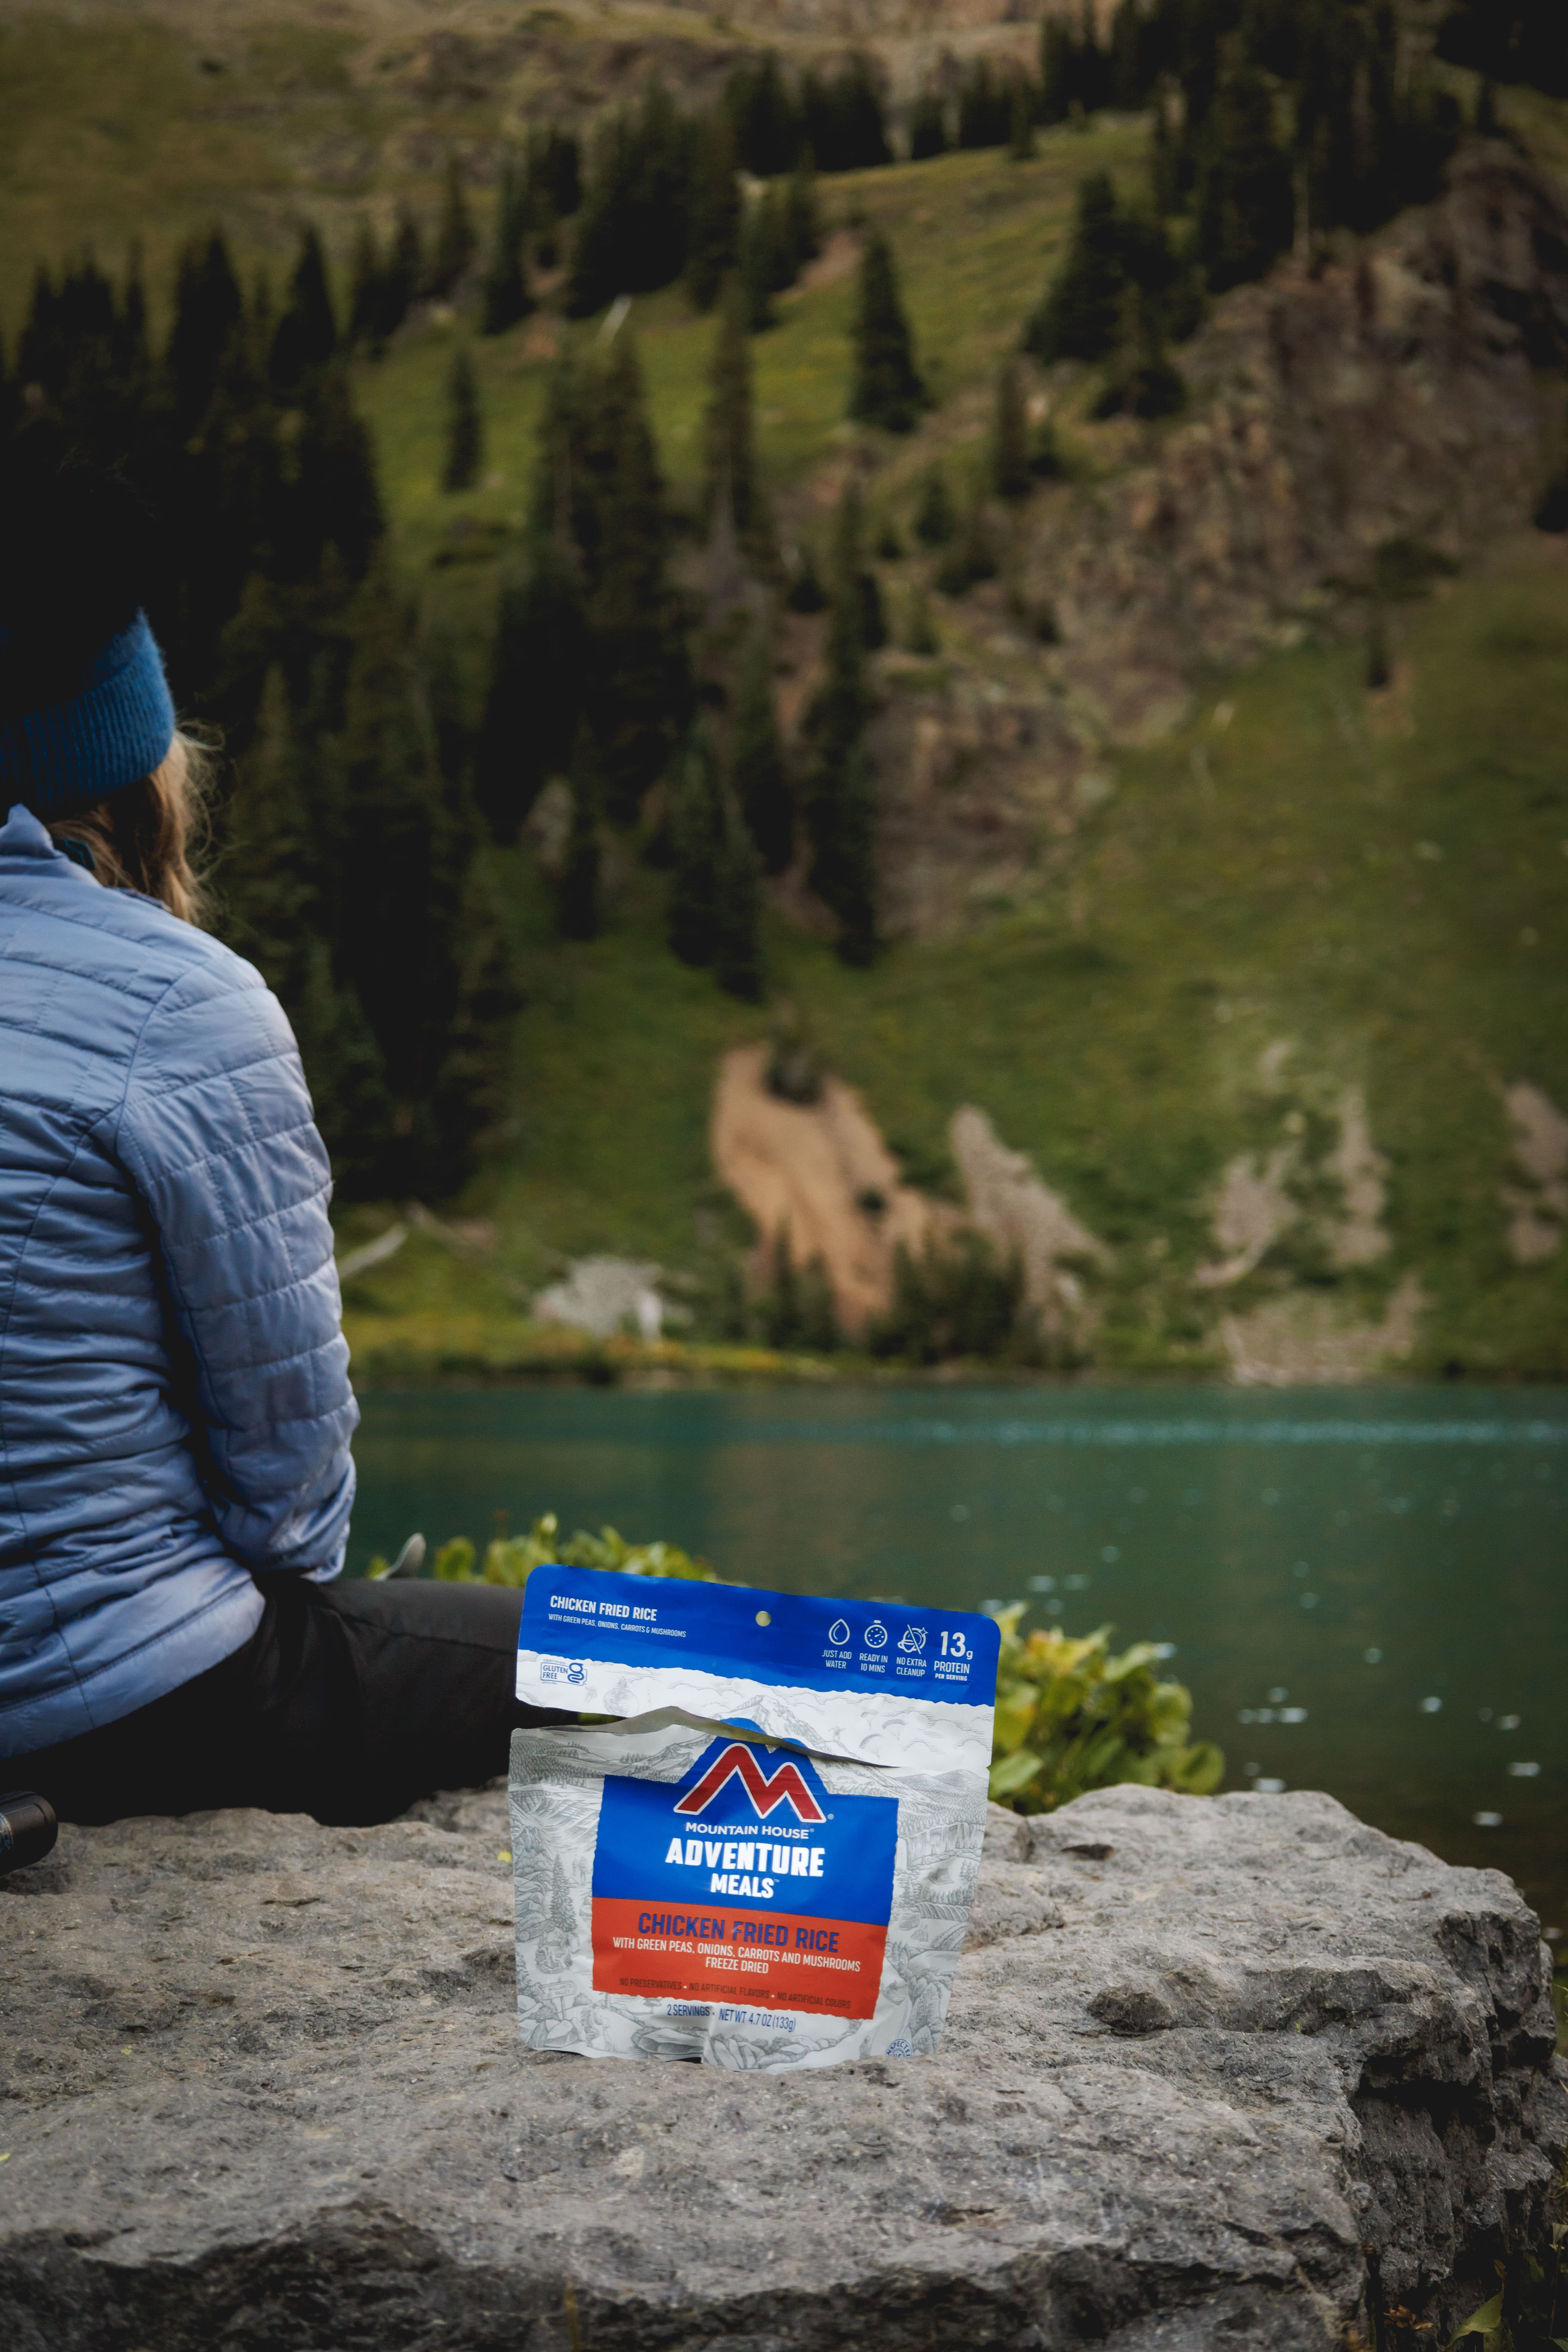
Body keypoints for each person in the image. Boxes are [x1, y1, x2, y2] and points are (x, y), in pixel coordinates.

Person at [0, 468, 553, 1827]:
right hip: (116, 1701)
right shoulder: (175, 1003)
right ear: (133, 760)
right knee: (680, 1671)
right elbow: (290, 1492)